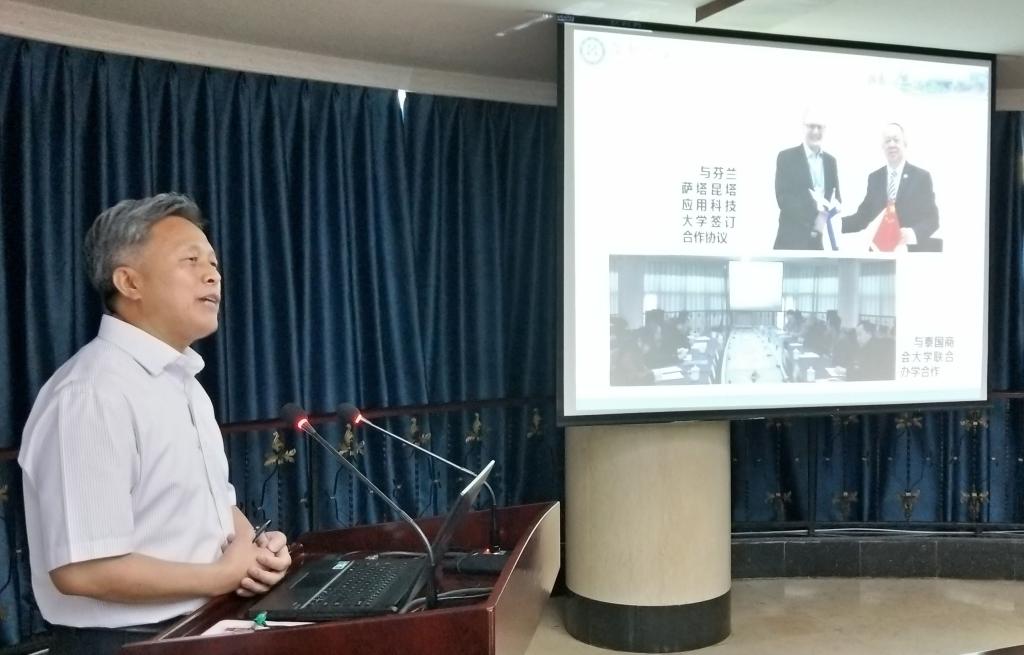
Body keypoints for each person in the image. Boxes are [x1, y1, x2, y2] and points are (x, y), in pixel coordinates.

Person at [18, 194, 292, 654]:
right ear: (129, 281)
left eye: (213, 263)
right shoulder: (91, 393)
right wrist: (220, 576)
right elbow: (81, 569)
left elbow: (218, 507)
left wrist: (255, 553)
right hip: (125, 642)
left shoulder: (184, 382)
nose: (213, 275)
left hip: (200, 625)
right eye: (190, 260)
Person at [841, 123, 941, 252]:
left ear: (905, 143)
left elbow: (932, 219)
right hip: (878, 253)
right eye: (887, 141)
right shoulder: (875, 178)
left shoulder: (921, 177)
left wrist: (912, 233)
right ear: (882, 147)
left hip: (908, 253)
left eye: (896, 140)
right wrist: (833, 224)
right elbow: (862, 218)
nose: (891, 144)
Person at [773, 108, 842, 250]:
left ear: (825, 129)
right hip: (791, 242)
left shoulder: (831, 162)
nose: (815, 131)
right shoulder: (786, 157)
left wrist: (835, 206)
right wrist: (815, 209)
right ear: (803, 127)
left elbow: (835, 196)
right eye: (811, 126)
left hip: (819, 243)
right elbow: (783, 199)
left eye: (819, 127)